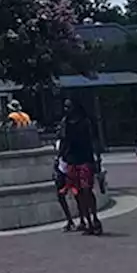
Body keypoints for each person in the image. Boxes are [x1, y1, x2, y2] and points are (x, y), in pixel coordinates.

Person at [58, 99, 101, 235]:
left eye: (69, 106)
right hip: (71, 160)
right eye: (65, 106)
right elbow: (64, 141)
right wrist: (59, 158)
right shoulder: (65, 123)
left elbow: (94, 140)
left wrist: (97, 158)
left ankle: (94, 218)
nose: (66, 109)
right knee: (79, 193)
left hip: (86, 159)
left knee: (87, 190)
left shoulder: (86, 122)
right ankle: (87, 221)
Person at [53, 140, 75, 230]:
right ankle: (70, 220)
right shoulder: (59, 140)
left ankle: (82, 220)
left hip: (71, 166)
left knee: (78, 194)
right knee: (60, 195)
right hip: (62, 169)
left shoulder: (68, 137)